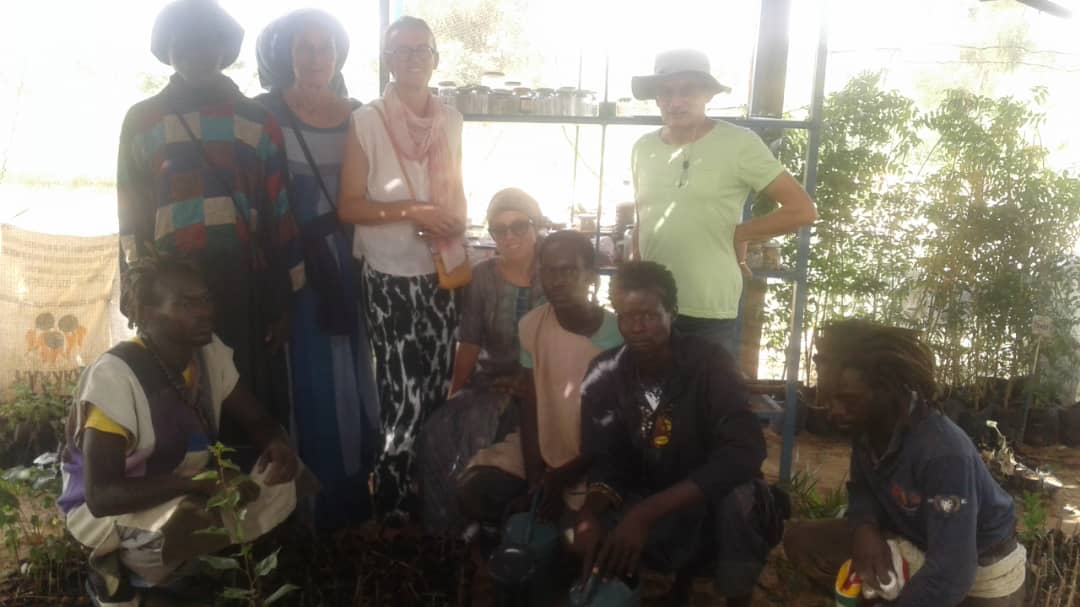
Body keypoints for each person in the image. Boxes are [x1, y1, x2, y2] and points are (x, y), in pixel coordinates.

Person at [58, 255, 302, 607]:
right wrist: (198, 486)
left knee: (284, 482)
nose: (204, 312)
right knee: (188, 522)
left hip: (186, 489)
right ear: (145, 312)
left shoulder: (209, 354)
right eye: (187, 303)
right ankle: (117, 578)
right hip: (108, 511)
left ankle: (179, 568)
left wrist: (278, 445)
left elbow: (258, 421)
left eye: (205, 300)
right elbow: (101, 496)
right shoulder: (115, 376)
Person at [117, 0, 299, 440]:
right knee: (177, 402)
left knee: (246, 397)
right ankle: (187, 500)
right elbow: (130, 214)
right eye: (184, 44)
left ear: (224, 50)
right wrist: (134, 284)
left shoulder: (257, 120)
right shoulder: (142, 121)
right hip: (169, 292)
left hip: (244, 286)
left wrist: (283, 298)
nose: (196, 53)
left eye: (208, 43)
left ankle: (254, 503)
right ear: (168, 51)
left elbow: (279, 212)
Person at [574, 261, 784, 607]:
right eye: (627, 316)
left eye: (649, 315)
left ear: (672, 312)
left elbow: (744, 451)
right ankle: (637, 590)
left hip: (708, 501)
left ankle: (736, 597)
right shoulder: (605, 372)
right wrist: (589, 512)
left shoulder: (710, 363)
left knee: (743, 500)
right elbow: (605, 457)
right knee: (588, 527)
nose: (638, 327)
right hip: (648, 496)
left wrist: (647, 513)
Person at [783, 319, 1027, 606]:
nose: (834, 411)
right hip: (917, 543)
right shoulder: (867, 428)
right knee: (803, 541)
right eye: (828, 398)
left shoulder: (942, 454)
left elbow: (952, 571)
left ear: (887, 390)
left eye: (848, 400)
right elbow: (862, 489)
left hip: (980, 570)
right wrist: (864, 529)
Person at [338, 16, 467, 525]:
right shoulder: (366, 120)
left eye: (422, 49)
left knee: (436, 389)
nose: (413, 57)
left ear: (436, 59)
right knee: (402, 394)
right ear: (387, 60)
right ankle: (391, 503)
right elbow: (349, 206)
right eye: (401, 50)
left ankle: (429, 495)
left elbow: (453, 186)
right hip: (390, 276)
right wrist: (415, 210)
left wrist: (454, 218)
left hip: (440, 270)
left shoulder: (451, 119)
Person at [254, 9, 379, 530]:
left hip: (345, 266)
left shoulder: (360, 115)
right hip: (286, 266)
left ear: (337, 56)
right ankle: (299, 504)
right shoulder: (264, 114)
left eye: (324, 48)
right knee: (300, 376)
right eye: (303, 48)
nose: (314, 58)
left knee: (350, 373)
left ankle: (349, 493)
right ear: (286, 55)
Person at [629, 49, 817, 355]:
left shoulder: (738, 143)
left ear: (708, 94)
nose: (675, 102)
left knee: (706, 400)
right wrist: (631, 280)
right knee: (651, 400)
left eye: (687, 90)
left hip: (708, 308)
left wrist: (739, 234)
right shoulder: (643, 148)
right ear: (657, 98)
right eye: (666, 92)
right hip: (651, 304)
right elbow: (643, 219)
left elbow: (802, 210)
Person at [458, 230, 623, 527]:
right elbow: (531, 405)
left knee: (581, 529)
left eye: (568, 270)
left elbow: (617, 432)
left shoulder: (619, 337)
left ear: (590, 276)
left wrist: (559, 479)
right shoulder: (534, 325)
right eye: (548, 270)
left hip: (599, 457)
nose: (557, 280)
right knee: (476, 490)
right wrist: (537, 478)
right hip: (546, 443)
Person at [417, 188, 546, 534]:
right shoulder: (483, 277)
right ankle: (449, 535)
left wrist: (530, 383)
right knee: (437, 432)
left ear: (537, 227)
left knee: (488, 438)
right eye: (499, 229)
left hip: (543, 386)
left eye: (519, 226)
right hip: (491, 382)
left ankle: (501, 530)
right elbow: (470, 342)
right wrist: (454, 392)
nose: (510, 236)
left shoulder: (555, 274)